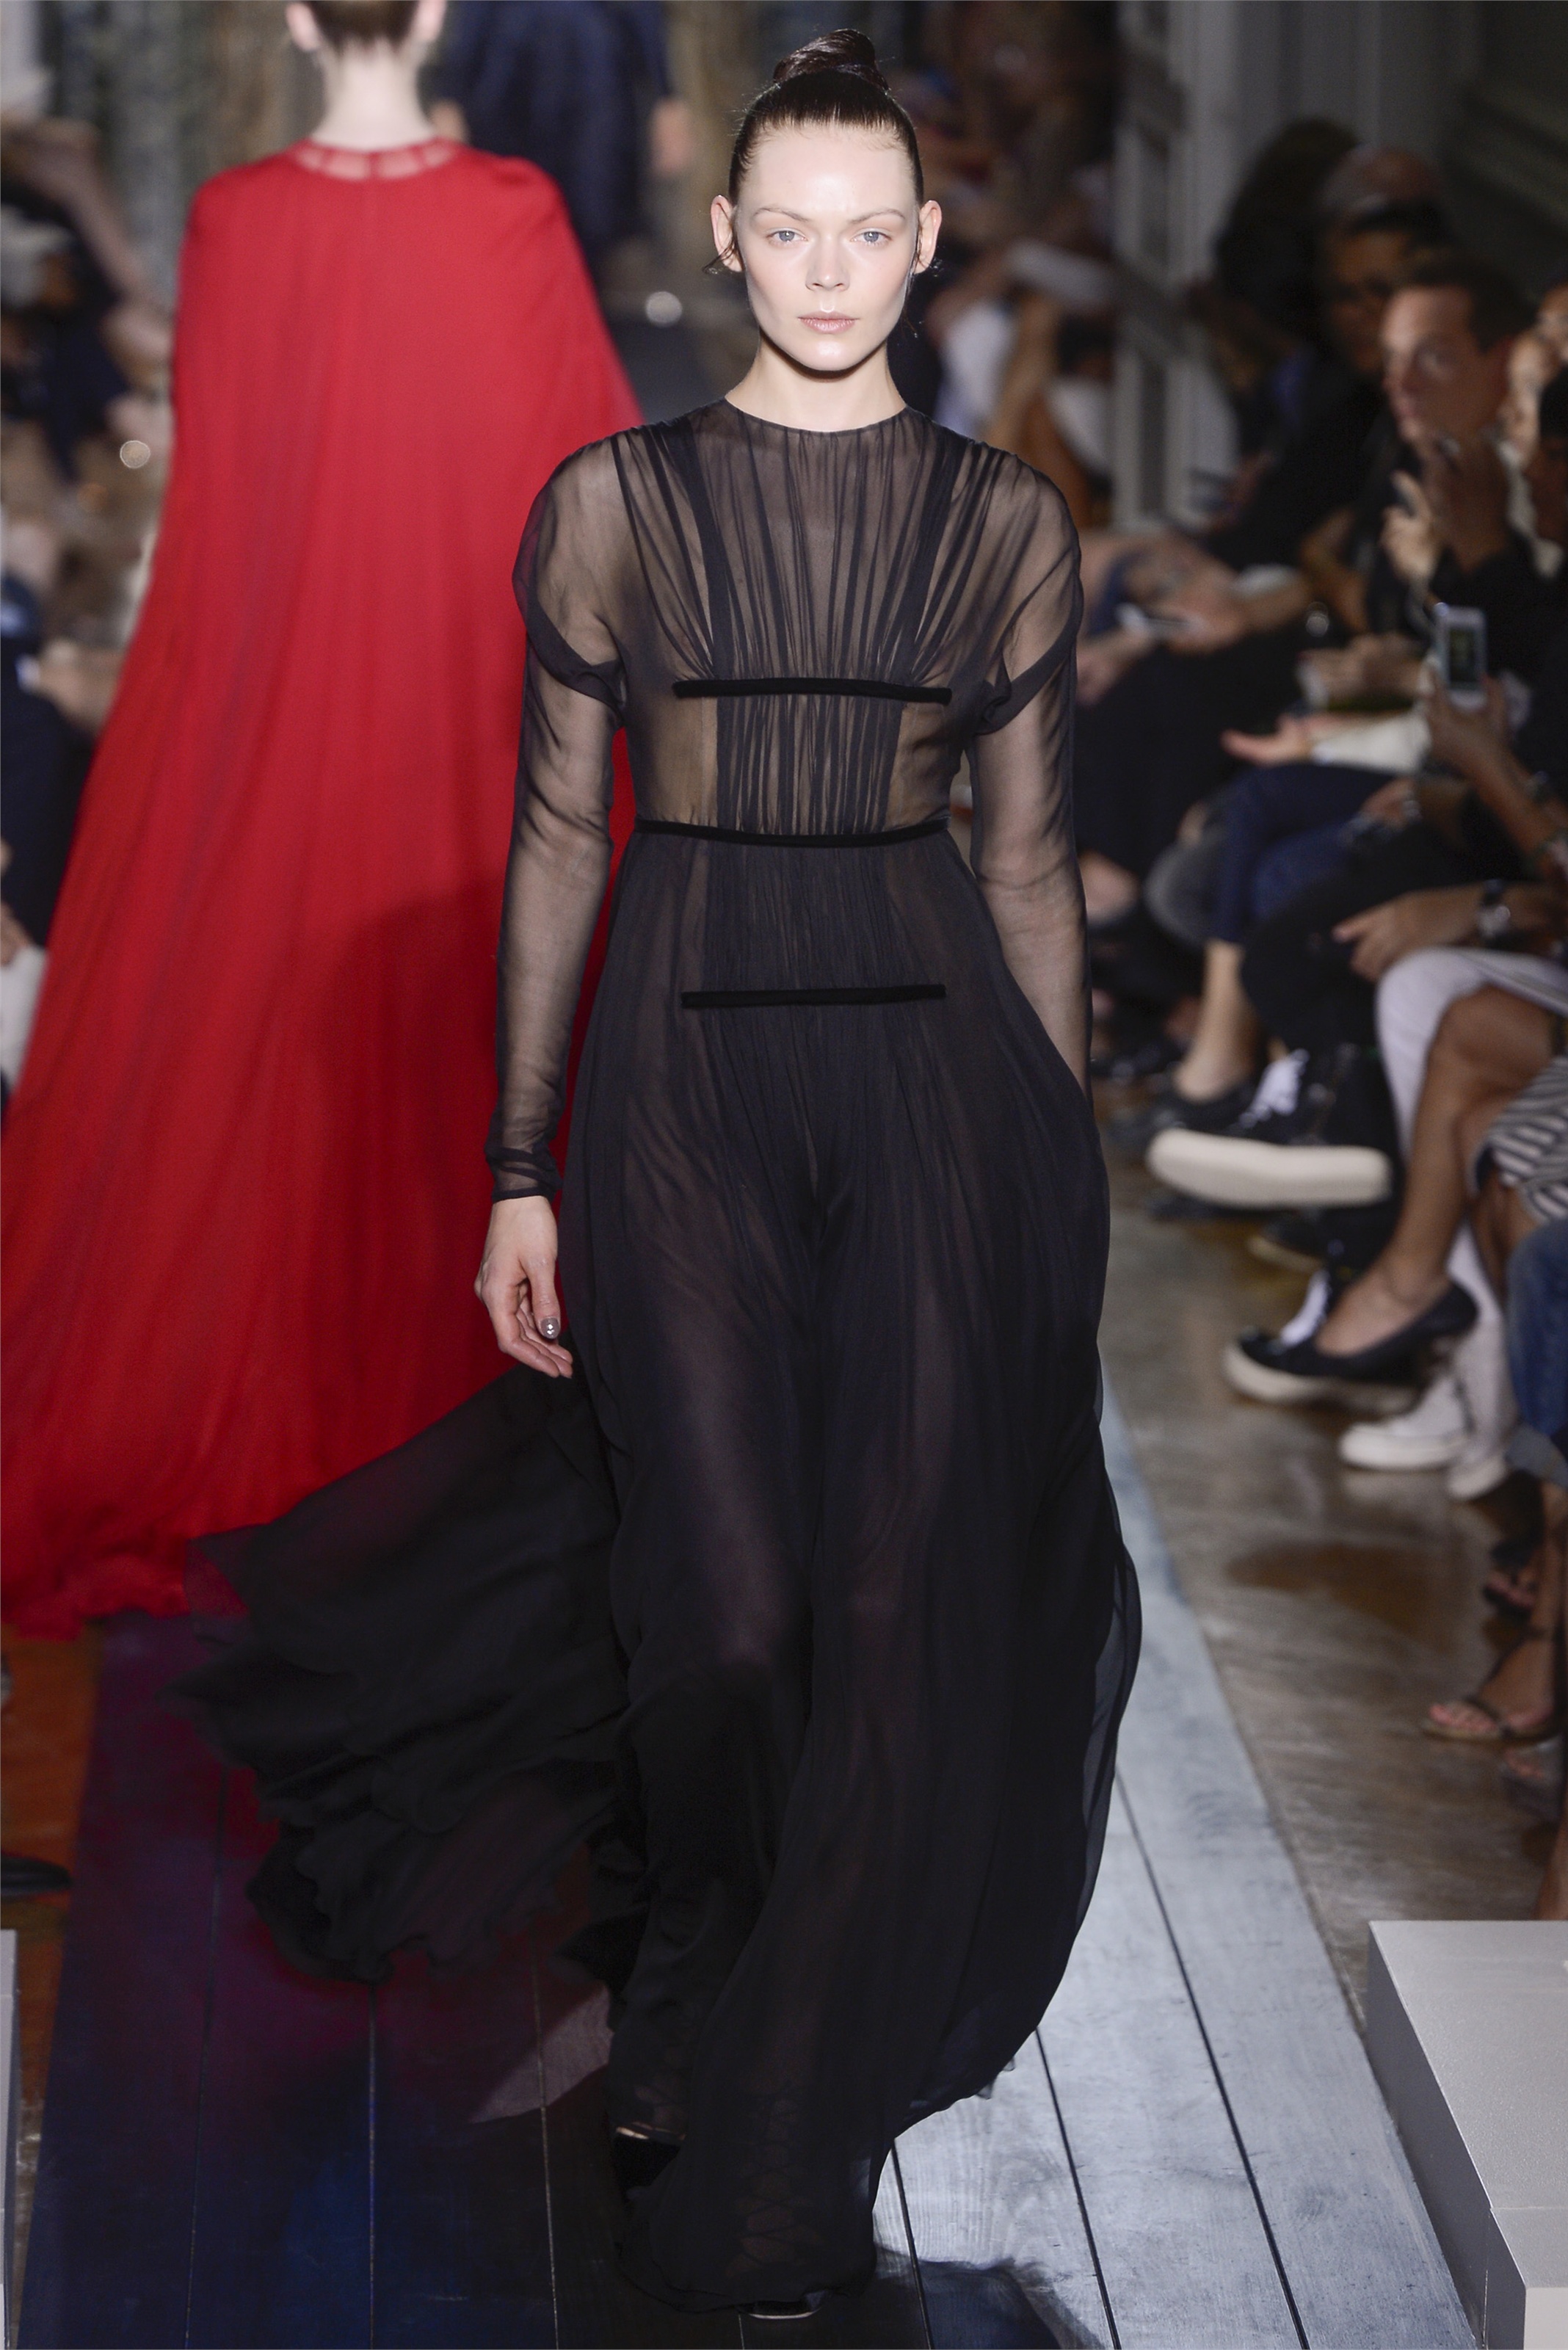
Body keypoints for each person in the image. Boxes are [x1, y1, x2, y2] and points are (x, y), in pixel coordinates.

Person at [175, 28, 1138, 2320]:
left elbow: (1030, 873)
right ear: (729, 237)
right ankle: (696, 1937)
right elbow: (551, 839)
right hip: (682, 1072)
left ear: (923, 241)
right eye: (786, 229)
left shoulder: (1007, 524)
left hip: (938, 1083)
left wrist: (1064, 1175)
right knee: (719, 1617)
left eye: (867, 231)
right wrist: (520, 1161)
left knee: (894, 1616)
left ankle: (785, 2111)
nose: (828, 268)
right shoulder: (612, 503)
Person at [0, 0, 639, 1636]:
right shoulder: (511, 211)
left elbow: (220, 513)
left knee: (282, 1075)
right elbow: (592, 498)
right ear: (435, 14)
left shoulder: (239, 219)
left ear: (293, 18)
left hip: (287, 714)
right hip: (463, 715)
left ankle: (308, 1437)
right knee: (472, 1049)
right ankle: (468, 1425)